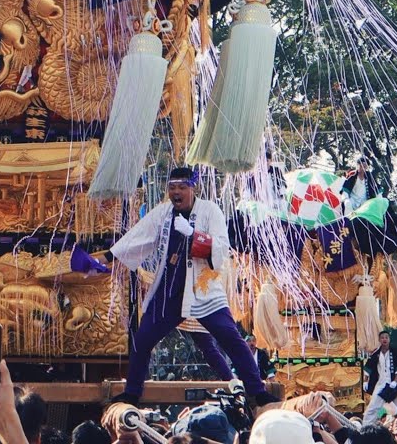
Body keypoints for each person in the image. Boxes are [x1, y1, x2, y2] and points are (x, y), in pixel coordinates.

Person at [103, 166, 276, 406]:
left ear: (193, 188)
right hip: (169, 289)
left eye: (182, 187)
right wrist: (105, 259)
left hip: (202, 290)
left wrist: (194, 235)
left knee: (231, 337)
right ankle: (133, 393)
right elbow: (137, 238)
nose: (177, 192)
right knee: (142, 339)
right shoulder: (163, 213)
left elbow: (221, 249)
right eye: (172, 187)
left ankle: (257, 391)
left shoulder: (210, 211)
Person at [360, 331, 397, 425]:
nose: (384, 339)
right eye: (382, 337)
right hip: (381, 384)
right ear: (380, 340)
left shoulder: (395, 352)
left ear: (389, 339)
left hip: (394, 385)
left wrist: (395, 382)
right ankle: (365, 428)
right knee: (372, 408)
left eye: (386, 337)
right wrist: (365, 382)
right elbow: (368, 368)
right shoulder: (376, 353)